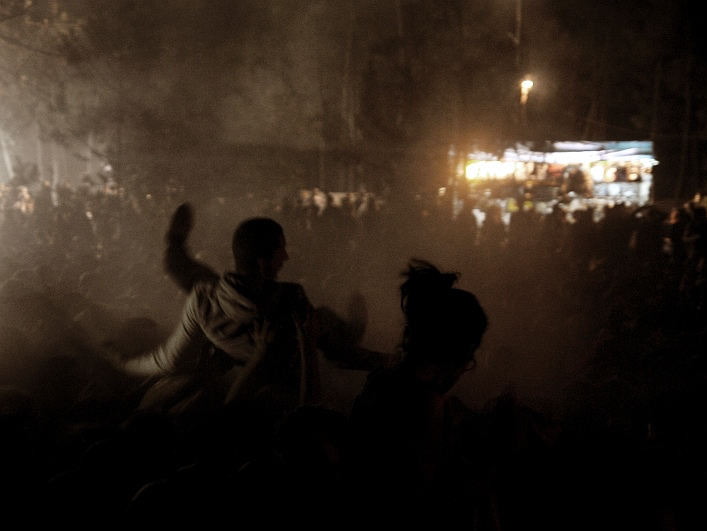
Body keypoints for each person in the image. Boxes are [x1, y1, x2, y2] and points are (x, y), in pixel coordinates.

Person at [114, 203, 383, 427]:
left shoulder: (204, 297)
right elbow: (336, 354)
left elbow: (171, 358)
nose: (286, 257)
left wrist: (126, 364)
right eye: (281, 249)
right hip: (277, 395)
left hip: (233, 365)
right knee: (324, 322)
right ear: (263, 262)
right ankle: (349, 331)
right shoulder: (289, 302)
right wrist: (392, 361)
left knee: (197, 276)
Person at [346, 259, 489, 530]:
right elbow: (415, 510)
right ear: (460, 351)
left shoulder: (384, 380)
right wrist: (498, 464)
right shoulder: (422, 403)